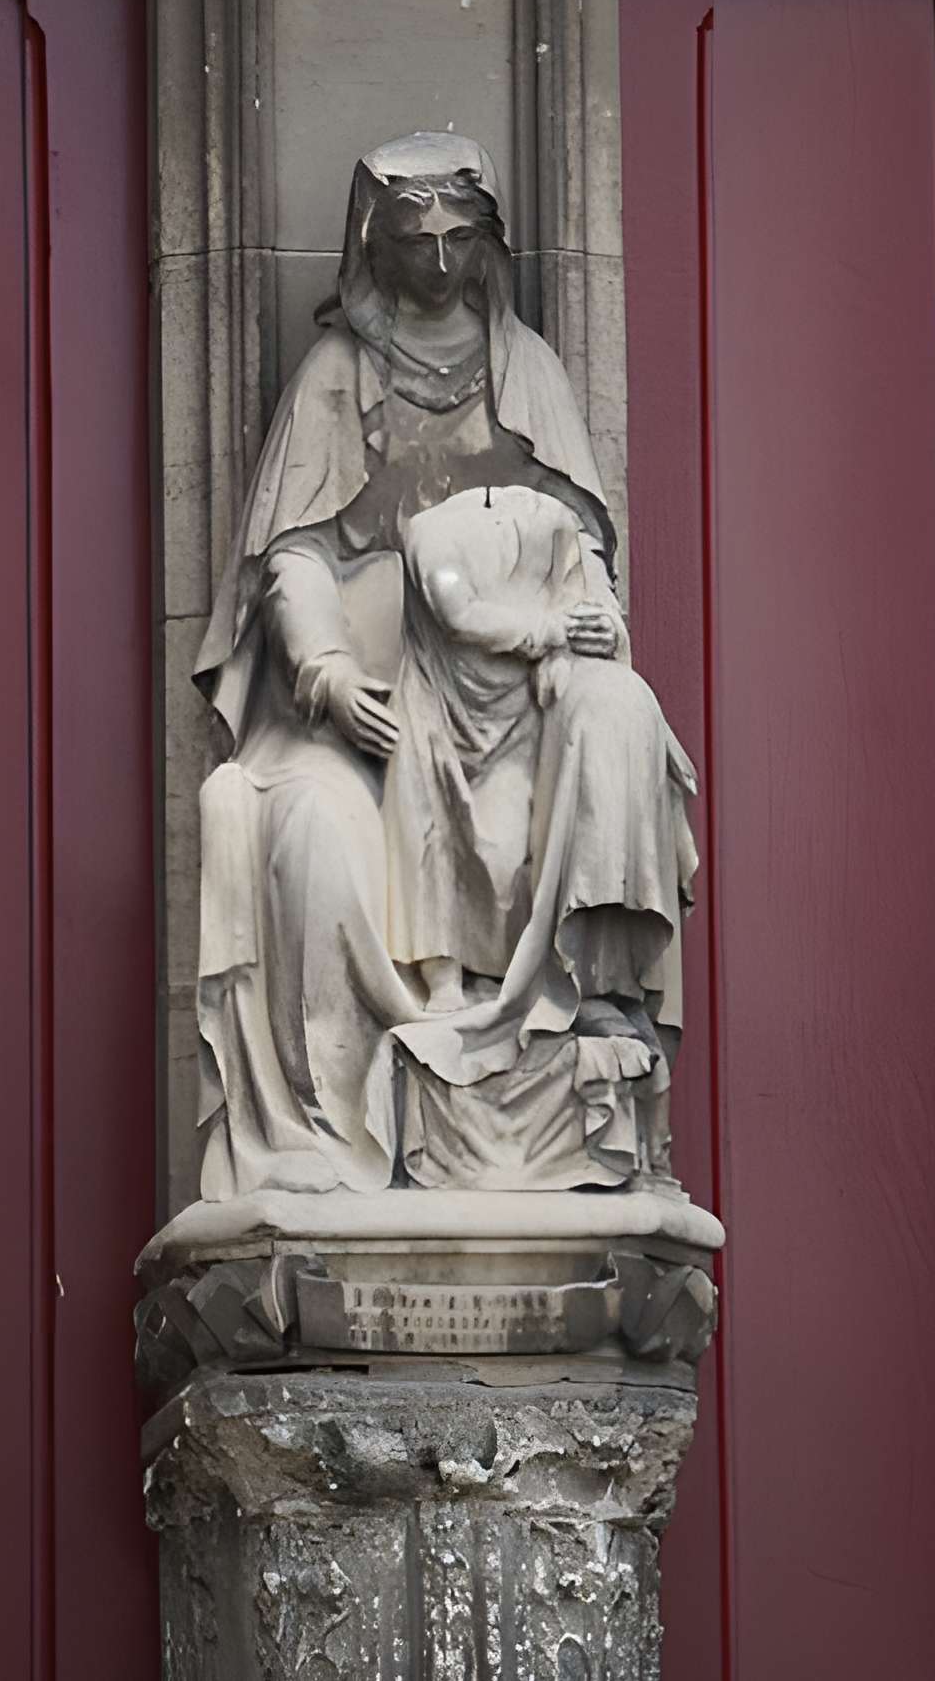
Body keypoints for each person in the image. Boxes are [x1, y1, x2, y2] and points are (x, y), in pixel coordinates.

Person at [193, 133, 696, 1198]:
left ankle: (597, 1003)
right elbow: (293, 554)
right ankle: (333, 1137)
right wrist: (328, 675)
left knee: (619, 711)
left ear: (486, 244)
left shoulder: (529, 372)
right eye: (410, 237)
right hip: (366, 710)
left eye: (457, 237)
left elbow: (582, 544)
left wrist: (585, 624)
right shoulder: (338, 377)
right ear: (371, 245)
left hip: (523, 687)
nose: (434, 259)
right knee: (305, 827)